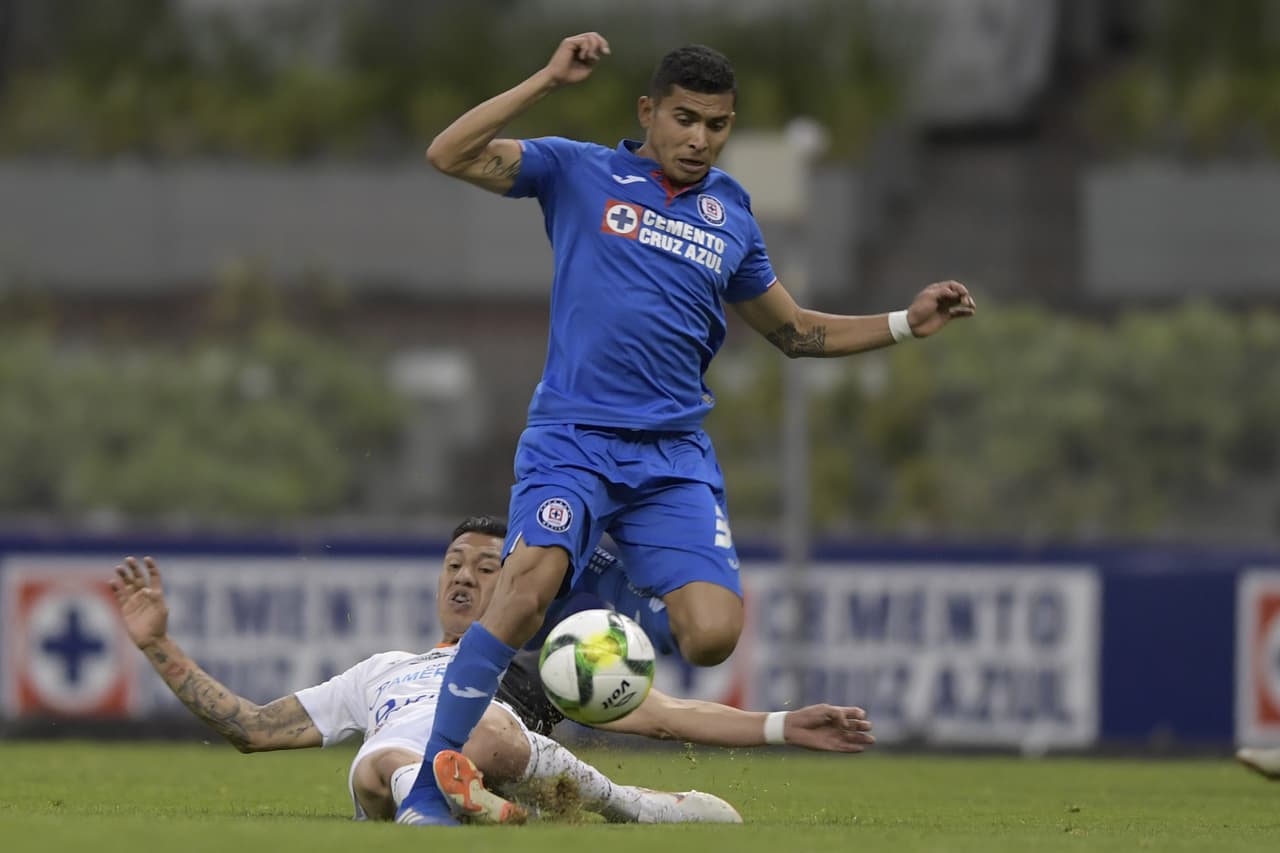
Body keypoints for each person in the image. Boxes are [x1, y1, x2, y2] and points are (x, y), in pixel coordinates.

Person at [400, 32, 975, 824]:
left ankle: (593, 590)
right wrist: (546, 80)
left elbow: (795, 331)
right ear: (648, 112)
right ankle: (430, 790)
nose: (700, 138)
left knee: (712, 635)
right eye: (685, 119)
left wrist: (904, 324)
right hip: (574, 437)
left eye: (718, 124)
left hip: (672, 457)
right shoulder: (578, 170)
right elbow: (448, 152)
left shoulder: (730, 211)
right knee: (521, 594)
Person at [110, 516, 875, 824]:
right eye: (453, 563)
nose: (465, 576)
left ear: (517, 584)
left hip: (511, 747)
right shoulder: (381, 669)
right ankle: (450, 792)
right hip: (401, 766)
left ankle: (629, 805)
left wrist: (783, 723)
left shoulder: (547, 664)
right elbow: (251, 727)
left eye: (486, 565)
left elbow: (671, 714)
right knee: (377, 765)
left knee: (457, 736)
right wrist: (155, 646)